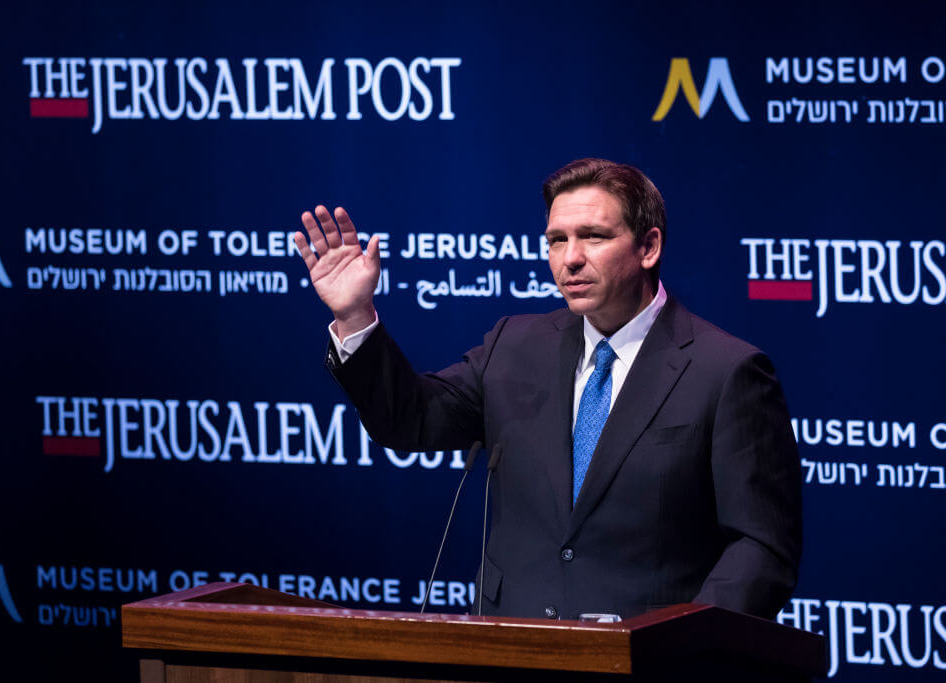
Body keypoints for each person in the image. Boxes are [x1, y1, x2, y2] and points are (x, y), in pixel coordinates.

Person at [293, 158, 802, 621]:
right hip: (513, 653)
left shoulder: (726, 370)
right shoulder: (514, 346)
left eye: (593, 237)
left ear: (648, 247)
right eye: (556, 239)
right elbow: (411, 420)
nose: (569, 259)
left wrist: (687, 648)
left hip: (648, 668)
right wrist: (355, 316)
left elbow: (760, 548)